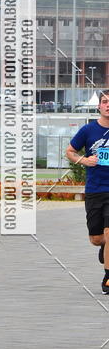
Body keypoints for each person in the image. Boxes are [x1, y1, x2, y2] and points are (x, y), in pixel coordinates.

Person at [66, 90, 109, 293]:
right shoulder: (88, 130)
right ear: (99, 106)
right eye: (105, 101)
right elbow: (70, 151)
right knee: (97, 238)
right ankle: (104, 247)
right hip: (95, 190)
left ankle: (107, 278)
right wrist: (85, 160)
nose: (108, 105)